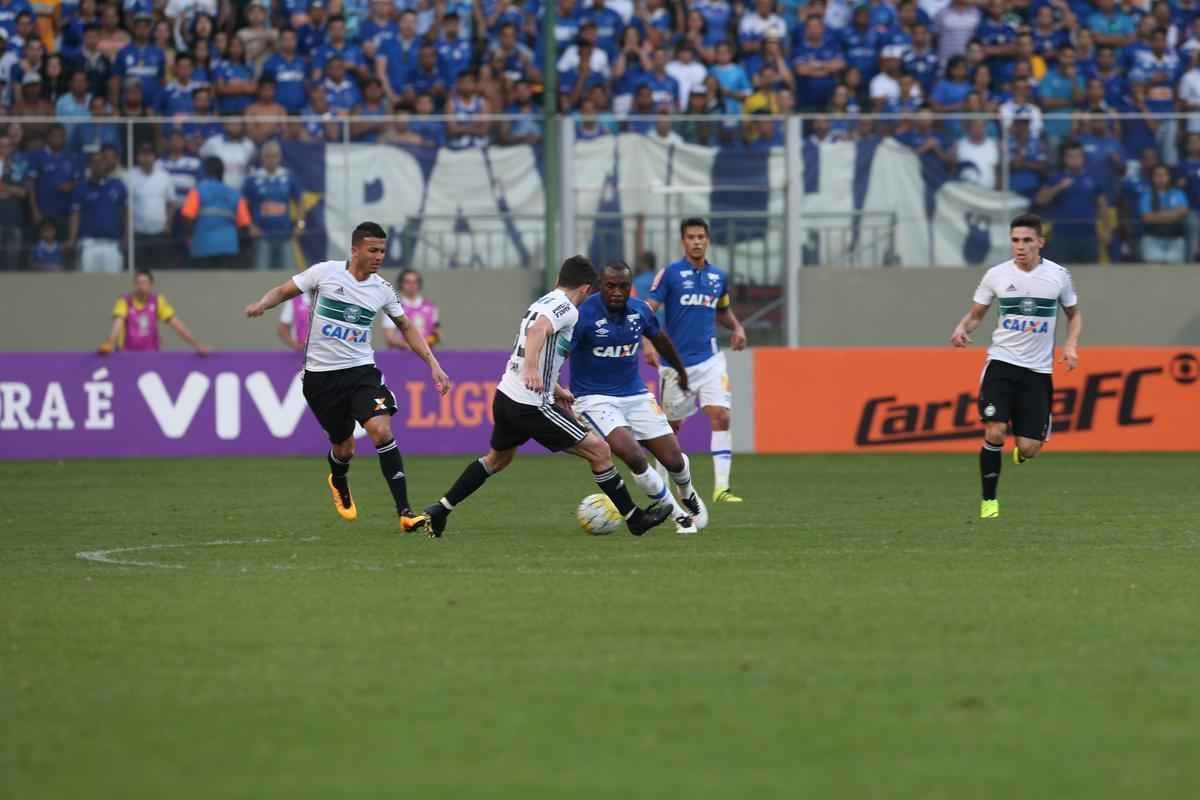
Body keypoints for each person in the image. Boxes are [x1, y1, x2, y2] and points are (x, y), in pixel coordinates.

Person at [419, 255, 673, 539]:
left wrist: (555, 387)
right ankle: (634, 518)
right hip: (531, 405)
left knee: (496, 461)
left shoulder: (543, 301)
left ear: (558, 280)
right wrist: (531, 369)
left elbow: (542, 346)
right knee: (600, 451)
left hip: (506, 396)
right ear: (586, 288)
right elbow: (537, 331)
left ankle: (441, 509)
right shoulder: (567, 309)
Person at [244, 221, 451, 532]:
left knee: (381, 431)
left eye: (382, 251)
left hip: (361, 373)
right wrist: (262, 304)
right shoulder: (324, 272)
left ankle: (405, 513)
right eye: (373, 250)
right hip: (321, 378)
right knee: (345, 448)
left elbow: (406, 327)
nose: (379, 256)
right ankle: (339, 479)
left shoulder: (382, 289)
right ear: (355, 250)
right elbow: (283, 291)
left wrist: (433, 364)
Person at [950, 213, 1082, 520]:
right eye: (1015, 240)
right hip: (1002, 364)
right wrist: (962, 328)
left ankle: (1023, 451)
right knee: (995, 430)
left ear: (1040, 242)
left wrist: (1071, 345)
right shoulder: (996, 275)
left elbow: (1074, 314)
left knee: (1029, 448)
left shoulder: (1058, 275)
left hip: (1037, 372)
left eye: (1026, 240)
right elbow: (977, 315)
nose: (1020, 246)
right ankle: (989, 502)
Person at [569, 261, 709, 535]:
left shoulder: (640, 310)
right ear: (600, 286)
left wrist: (681, 372)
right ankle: (679, 516)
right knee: (634, 456)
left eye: (623, 286)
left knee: (674, 460)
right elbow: (561, 352)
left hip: (635, 395)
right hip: (594, 399)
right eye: (610, 286)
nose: (617, 292)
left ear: (630, 287)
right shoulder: (583, 315)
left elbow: (661, 340)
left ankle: (687, 492)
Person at [643, 218, 748, 504]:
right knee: (668, 429)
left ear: (708, 240)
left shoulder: (718, 277)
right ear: (683, 242)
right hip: (676, 365)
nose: (697, 241)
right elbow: (648, 308)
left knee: (721, 415)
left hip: (711, 359)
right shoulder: (670, 274)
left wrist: (737, 327)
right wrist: (647, 341)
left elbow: (722, 310)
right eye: (691, 237)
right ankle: (663, 491)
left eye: (701, 236)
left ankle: (722, 488)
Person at [99, 269, 211, 354]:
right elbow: (117, 324)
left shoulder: (158, 301)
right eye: (138, 283)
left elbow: (177, 325)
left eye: (144, 282)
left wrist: (196, 345)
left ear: (151, 284)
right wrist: (110, 342)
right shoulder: (124, 301)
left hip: (151, 356)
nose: (140, 286)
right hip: (127, 354)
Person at [179, 156, 251, 269]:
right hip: (228, 248)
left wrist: (190, 237)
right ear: (222, 172)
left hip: (202, 247)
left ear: (205, 171)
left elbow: (187, 217)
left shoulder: (198, 191)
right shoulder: (235, 194)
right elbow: (244, 224)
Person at [243, 140, 301, 271]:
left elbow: (300, 202)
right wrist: (250, 226)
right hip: (262, 234)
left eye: (274, 156)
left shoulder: (288, 176)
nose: (271, 160)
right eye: (267, 156)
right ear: (262, 158)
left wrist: (300, 224)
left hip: (285, 233)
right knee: (261, 273)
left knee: (289, 275)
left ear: (279, 157)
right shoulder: (253, 179)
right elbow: (243, 205)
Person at [69, 146, 127, 273]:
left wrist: (126, 236)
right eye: (95, 162)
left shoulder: (118, 185)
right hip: (89, 244)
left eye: (102, 161)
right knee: (87, 281)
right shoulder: (81, 188)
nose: (99, 165)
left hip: (112, 243)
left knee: (114, 281)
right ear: (89, 166)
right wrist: (72, 239)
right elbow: (75, 215)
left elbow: (125, 213)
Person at [128, 140, 177, 269]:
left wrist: (168, 223)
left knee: (160, 270)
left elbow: (171, 203)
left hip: (159, 232)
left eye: (149, 154)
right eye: (143, 154)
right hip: (138, 233)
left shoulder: (164, 176)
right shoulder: (130, 176)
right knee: (139, 271)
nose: (146, 157)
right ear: (137, 157)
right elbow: (125, 205)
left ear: (155, 157)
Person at [1138, 163, 1189, 263]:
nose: (1161, 178)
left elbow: (1184, 212)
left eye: (1164, 175)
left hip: (1175, 240)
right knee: (1153, 271)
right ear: (1152, 178)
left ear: (1169, 177)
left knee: (1176, 272)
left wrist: (1158, 215)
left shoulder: (1178, 193)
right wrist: (1173, 215)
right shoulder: (1146, 195)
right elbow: (1147, 217)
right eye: (1157, 175)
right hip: (1152, 240)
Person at [382, 268, 440, 349]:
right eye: (407, 282)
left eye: (415, 282)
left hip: (426, 353)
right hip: (402, 354)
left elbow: (437, 332)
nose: (412, 285)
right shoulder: (393, 307)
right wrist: (408, 345)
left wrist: (431, 340)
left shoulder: (430, 306)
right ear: (401, 284)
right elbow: (390, 338)